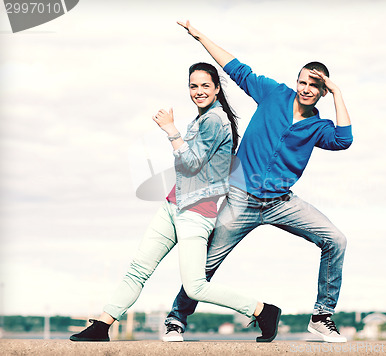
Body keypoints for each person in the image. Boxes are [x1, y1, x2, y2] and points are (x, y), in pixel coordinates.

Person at [162, 21, 353, 343]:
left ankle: (322, 316)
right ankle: (175, 319)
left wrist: (339, 93)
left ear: (322, 91)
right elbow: (236, 69)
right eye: (303, 81)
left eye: (315, 85)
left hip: (282, 203)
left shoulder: (319, 126)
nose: (306, 88)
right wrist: (199, 36)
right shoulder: (274, 94)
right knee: (205, 263)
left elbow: (344, 139)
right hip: (241, 198)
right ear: (296, 82)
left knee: (336, 240)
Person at [69, 62, 281, 343]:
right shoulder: (200, 120)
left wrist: (171, 131)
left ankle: (261, 310)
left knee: (195, 287)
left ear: (217, 89)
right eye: (193, 86)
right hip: (172, 205)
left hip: (196, 211)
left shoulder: (216, 121)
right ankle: (103, 325)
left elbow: (191, 163)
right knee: (139, 268)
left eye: (205, 85)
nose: (199, 91)